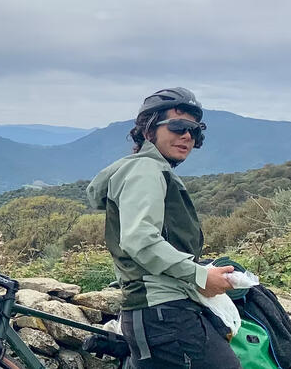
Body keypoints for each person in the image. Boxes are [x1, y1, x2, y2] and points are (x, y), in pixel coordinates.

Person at [86, 87, 241, 369]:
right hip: (164, 314)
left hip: (157, 313)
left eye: (195, 131)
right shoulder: (145, 170)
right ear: (148, 131)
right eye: (178, 126)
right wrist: (199, 275)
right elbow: (140, 239)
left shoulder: (150, 170)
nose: (187, 136)